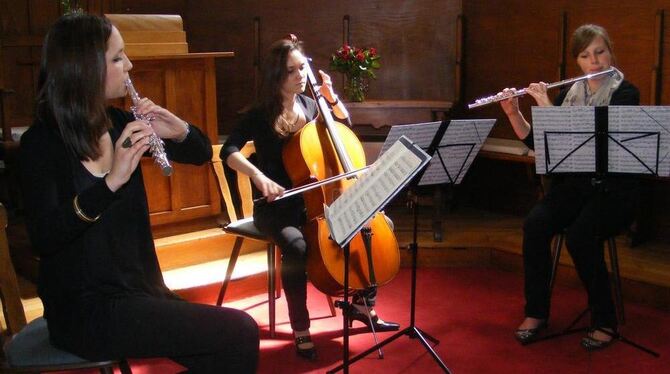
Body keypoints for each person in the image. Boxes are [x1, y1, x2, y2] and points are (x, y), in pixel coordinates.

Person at [19, 13, 259, 373]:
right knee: (240, 332)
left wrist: (179, 131)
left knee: (226, 348)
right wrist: (110, 182)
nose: (129, 64)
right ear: (83, 69)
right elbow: (45, 238)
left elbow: (198, 153)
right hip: (84, 310)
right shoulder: (41, 145)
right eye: (117, 57)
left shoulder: (118, 124)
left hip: (139, 290)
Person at [221, 35, 399, 361]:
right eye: (292, 71)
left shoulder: (311, 106)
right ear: (277, 76)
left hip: (317, 202)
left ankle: (362, 303)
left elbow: (341, 126)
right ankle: (300, 328)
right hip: (278, 207)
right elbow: (228, 151)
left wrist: (331, 98)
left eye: (303, 68)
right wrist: (258, 177)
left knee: (374, 224)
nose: (301, 75)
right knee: (297, 246)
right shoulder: (259, 114)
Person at [499, 24, 640, 351]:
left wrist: (546, 107)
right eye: (585, 55)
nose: (595, 61)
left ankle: (605, 319)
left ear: (611, 52)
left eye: (600, 52)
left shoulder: (625, 94)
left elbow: (596, 146)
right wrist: (514, 113)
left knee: (580, 235)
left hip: (613, 190)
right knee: (535, 224)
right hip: (575, 187)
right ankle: (536, 312)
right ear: (577, 61)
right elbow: (542, 144)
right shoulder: (568, 96)